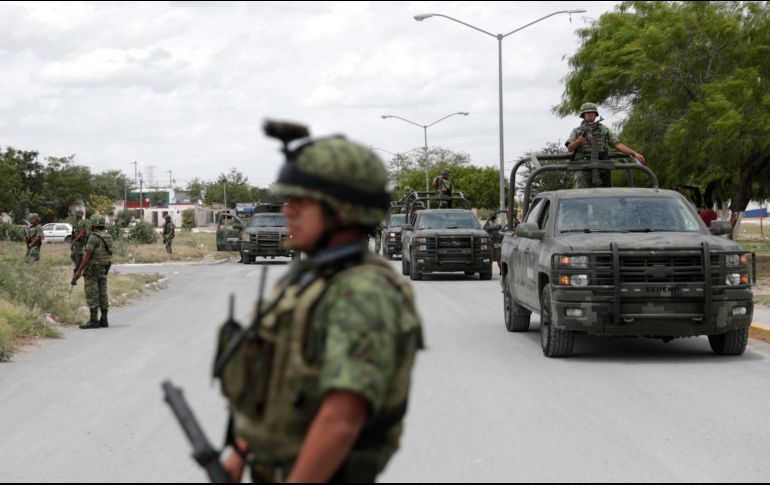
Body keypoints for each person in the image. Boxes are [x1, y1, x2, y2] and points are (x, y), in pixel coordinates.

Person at [216, 126, 424, 483]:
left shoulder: (363, 292)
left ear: (342, 210)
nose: (288, 210)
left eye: (301, 201)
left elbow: (341, 420)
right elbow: (276, 381)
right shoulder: (311, 277)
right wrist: (239, 452)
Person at [566, 102, 646, 188]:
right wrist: (578, 141)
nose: (590, 115)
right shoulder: (577, 131)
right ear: (583, 115)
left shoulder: (603, 129)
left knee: (603, 195)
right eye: (587, 113)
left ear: (595, 115)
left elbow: (617, 144)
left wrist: (634, 153)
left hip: (601, 165)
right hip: (582, 166)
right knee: (582, 195)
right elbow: (570, 148)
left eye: (592, 113)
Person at [74, 214, 113, 329]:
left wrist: (79, 270)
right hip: (104, 268)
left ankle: (94, 321)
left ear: (93, 225)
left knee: (92, 293)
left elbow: (87, 256)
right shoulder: (108, 236)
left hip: (92, 269)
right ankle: (104, 320)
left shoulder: (93, 237)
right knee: (102, 293)